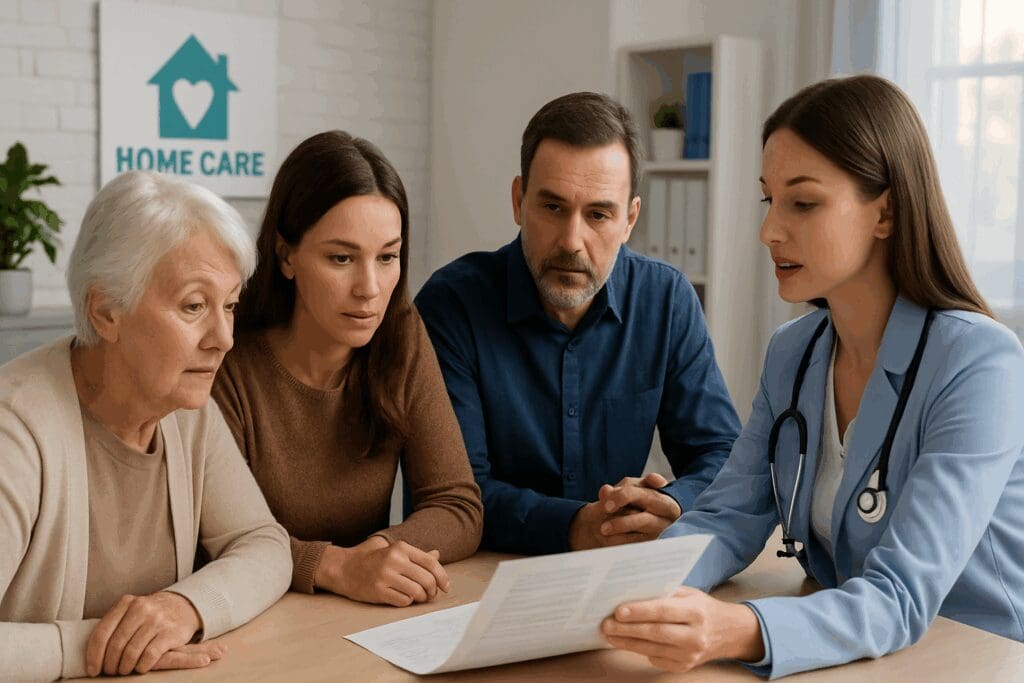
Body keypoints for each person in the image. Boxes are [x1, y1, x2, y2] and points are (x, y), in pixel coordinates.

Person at [602, 74, 1024, 678]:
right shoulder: (794, 353)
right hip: (851, 649)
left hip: (972, 656)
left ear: (887, 212)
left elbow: (902, 594)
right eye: (769, 200)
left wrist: (738, 629)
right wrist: (628, 589)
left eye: (803, 202)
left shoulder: (979, 364)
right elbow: (728, 516)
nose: (770, 231)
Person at [415, 92, 741, 555]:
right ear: (518, 200)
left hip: (617, 571)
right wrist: (574, 526)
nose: (572, 241)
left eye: (598, 215)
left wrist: (670, 504)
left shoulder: (665, 300)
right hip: (485, 576)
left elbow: (723, 454)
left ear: (629, 220)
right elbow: (454, 493)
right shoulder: (451, 306)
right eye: (552, 208)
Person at [0, 171, 292, 681]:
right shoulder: (15, 430)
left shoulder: (186, 407)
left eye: (229, 307)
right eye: (194, 306)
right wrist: (96, 645)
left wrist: (185, 609)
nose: (223, 339)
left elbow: (264, 544)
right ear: (106, 311)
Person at [211, 131, 483, 608]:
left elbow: (458, 506)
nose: (369, 288)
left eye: (387, 257)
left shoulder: (400, 331)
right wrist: (337, 567)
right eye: (342, 258)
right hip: (251, 617)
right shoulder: (227, 356)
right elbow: (212, 536)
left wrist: (378, 554)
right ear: (286, 255)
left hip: (356, 616)